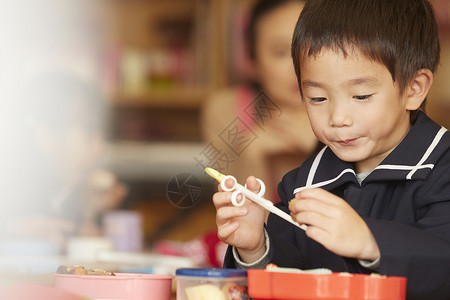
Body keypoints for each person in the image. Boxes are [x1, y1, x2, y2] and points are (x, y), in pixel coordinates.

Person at [212, 0, 450, 298]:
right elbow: (287, 279)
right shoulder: (303, 184)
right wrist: (255, 247)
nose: (338, 118)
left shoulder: (442, 170)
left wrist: (370, 241)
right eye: (318, 99)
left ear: (413, 89)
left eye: (361, 96)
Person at [202, 0, 317, 202]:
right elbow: (241, 224)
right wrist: (252, 156)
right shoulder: (230, 111)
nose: (300, 66)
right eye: (281, 52)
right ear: (252, 62)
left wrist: (323, 147)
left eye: (313, 45)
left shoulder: (361, 104)